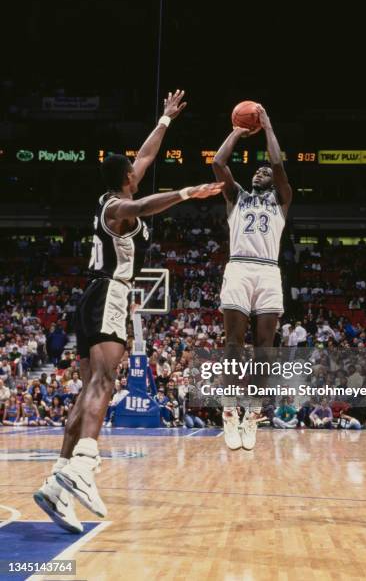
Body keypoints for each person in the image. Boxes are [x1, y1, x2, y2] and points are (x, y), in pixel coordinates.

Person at [34, 88, 223, 534]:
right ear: (125, 178)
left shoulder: (111, 195)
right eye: (133, 171)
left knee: (87, 391)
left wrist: (164, 120)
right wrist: (187, 192)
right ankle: (83, 465)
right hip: (109, 295)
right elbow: (140, 204)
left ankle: (58, 483)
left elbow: (144, 157)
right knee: (104, 381)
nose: (139, 171)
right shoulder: (118, 206)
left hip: (89, 298)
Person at [212, 104, 292, 450]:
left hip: (268, 269)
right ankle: (230, 411)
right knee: (233, 344)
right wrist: (238, 131)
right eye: (257, 170)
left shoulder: (282, 200)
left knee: (264, 348)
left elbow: (277, 163)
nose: (261, 171)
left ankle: (252, 413)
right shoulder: (237, 197)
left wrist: (269, 127)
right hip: (240, 267)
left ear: (274, 181)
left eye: (265, 171)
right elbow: (218, 163)